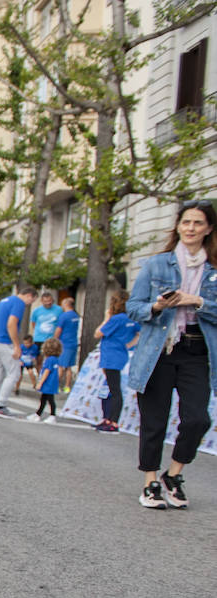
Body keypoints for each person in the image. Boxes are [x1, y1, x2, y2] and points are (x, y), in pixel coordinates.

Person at [125, 199, 217, 511]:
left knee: (197, 419)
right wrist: (157, 306)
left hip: (197, 350)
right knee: (155, 420)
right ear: (178, 226)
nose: (191, 228)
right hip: (159, 350)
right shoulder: (156, 264)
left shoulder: (214, 270)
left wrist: (198, 301)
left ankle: (173, 474)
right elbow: (133, 307)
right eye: (186, 222)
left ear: (209, 229)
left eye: (198, 223)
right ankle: (150, 482)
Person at [94, 288, 139, 434]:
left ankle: (113, 421)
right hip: (120, 354)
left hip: (110, 355)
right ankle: (108, 419)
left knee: (114, 390)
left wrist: (107, 318)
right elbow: (140, 333)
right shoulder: (131, 319)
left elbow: (98, 333)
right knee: (113, 388)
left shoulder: (115, 319)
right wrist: (128, 345)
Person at [0, 285, 34, 417]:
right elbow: (12, 323)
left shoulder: (3, 301)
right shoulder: (19, 303)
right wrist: (16, 345)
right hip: (4, 341)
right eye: (32, 301)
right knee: (14, 373)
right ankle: (0, 405)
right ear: (29, 295)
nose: (30, 304)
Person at [28, 338, 62, 424]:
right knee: (44, 399)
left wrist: (40, 383)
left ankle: (52, 416)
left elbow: (47, 371)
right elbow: (60, 370)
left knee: (50, 400)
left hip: (47, 383)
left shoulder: (49, 360)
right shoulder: (56, 359)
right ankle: (38, 414)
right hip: (52, 383)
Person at [56, 296, 80, 391]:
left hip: (64, 343)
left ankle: (56, 386)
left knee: (61, 366)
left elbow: (59, 329)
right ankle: (67, 386)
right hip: (73, 343)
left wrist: (54, 339)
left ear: (66, 304)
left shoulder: (64, 316)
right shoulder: (75, 316)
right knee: (68, 367)